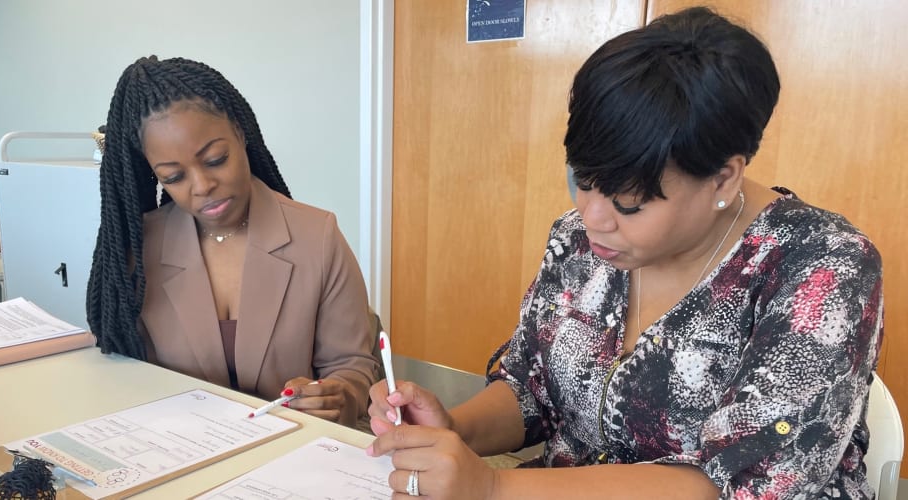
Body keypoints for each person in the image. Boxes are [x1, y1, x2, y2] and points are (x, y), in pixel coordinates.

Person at [367, 7, 883, 499]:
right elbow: (533, 389)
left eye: (629, 203)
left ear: (724, 177)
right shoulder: (578, 240)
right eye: (583, 182)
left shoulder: (822, 268)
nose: (592, 217)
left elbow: (736, 484)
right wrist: (453, 431)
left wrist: (495, 488)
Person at [86, 56, 379, 427]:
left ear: (240, 133)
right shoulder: (137, 254)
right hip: (180, 451)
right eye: (174, 177)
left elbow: (350, 365)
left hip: (293, 455)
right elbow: (125, 373)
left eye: (215, 159)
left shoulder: (317, 236)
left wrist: (341, 395)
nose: (202, 186)